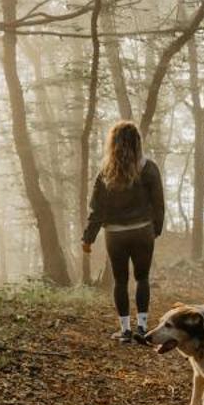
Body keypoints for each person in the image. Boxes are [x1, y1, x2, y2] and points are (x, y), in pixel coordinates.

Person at [81, 120, 164, 343]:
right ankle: (142, 328)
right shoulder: (149, 168)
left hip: (115, 235)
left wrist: (88, 238)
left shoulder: (105, 173)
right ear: (137, 142)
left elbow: (97, 210)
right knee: (142, 278)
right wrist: (156, 229)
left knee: (120, 281)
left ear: (113, 144)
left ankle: (125, 331)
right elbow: (158, 203)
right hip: (143, 232)